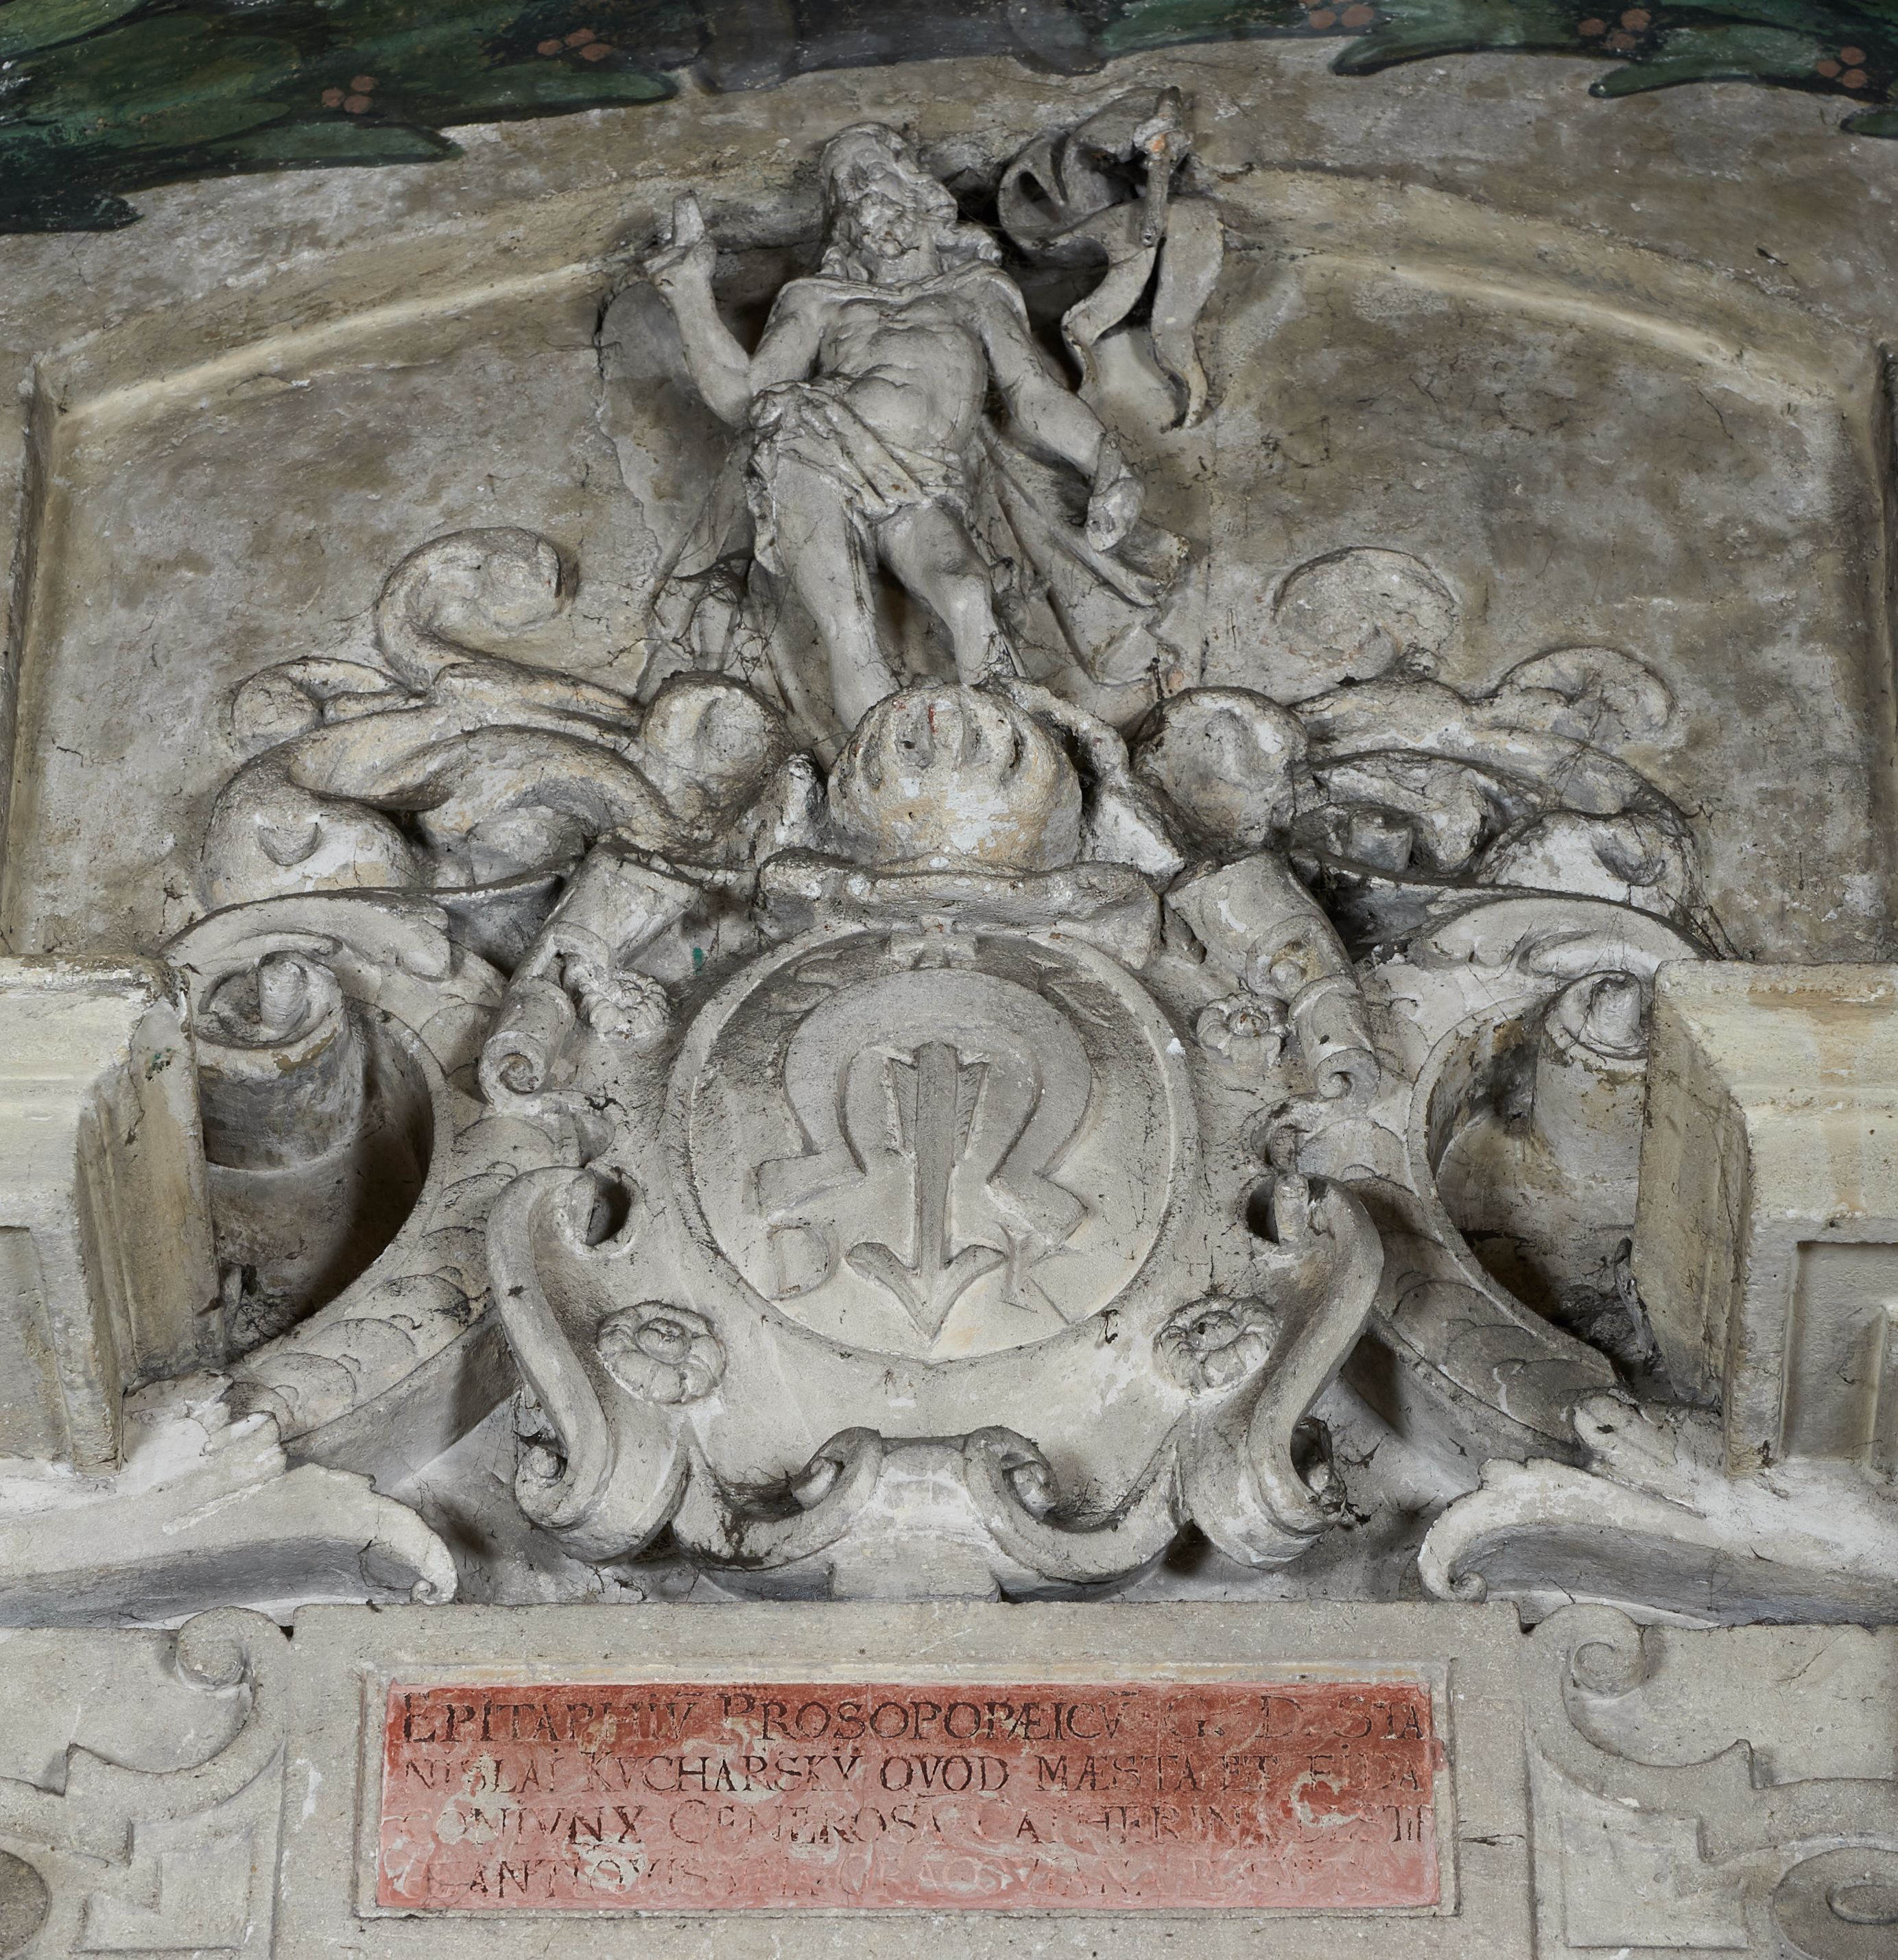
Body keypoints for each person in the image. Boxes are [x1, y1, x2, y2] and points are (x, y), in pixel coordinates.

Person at [644, 122, 1150, 731]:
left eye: (871, 174)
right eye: (846, 189)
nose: (861, 195)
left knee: (967, 592)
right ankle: (879, 769)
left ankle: (1018, 745)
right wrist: (690, 295)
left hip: (925, 478)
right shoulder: (820, 299)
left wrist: (1107, 465)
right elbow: (746, 399)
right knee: (849, 624)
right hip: (812, 448)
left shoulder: (974, 291)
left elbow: (1033, 394)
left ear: (921, 190)